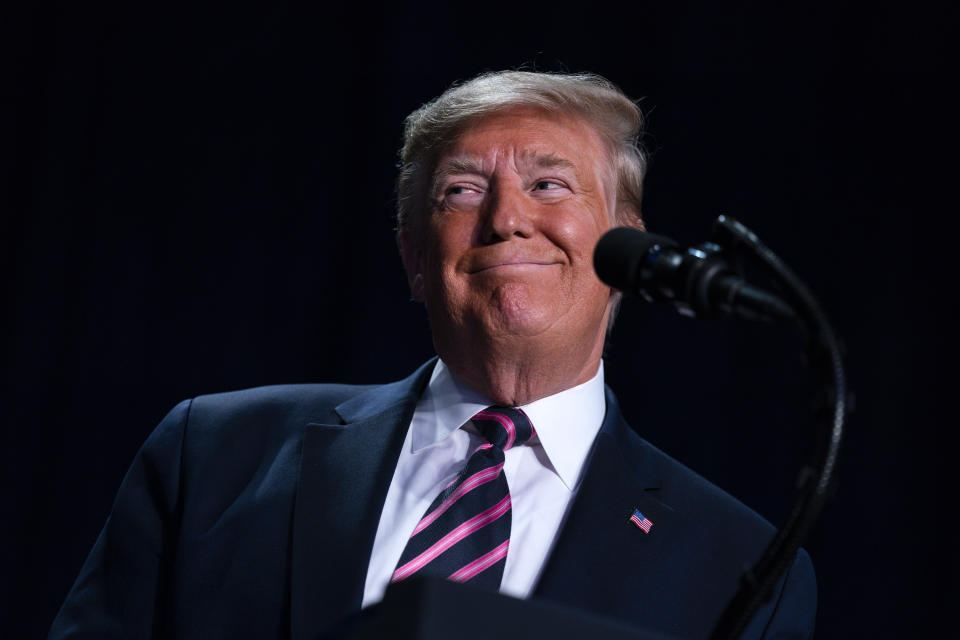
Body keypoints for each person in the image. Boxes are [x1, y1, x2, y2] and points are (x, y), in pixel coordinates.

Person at [50, 71, 816, 639]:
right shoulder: (211, 455)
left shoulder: (741, 566)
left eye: (550, 184)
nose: (508, 217)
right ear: (415, 258)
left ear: (627, 251)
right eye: (460, 191)